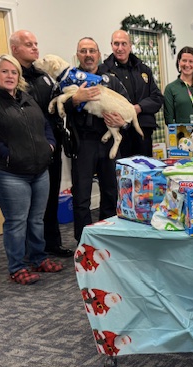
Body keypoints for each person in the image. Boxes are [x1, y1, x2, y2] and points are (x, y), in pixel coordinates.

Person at [0, 54, 63, 285]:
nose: (10, 76)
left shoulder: (27, 98)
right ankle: (17, 267)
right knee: (16, 221)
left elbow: (45, 126)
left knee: (36, 220)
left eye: (14, 72)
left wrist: (49, 146)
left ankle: (39, 258)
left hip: (39, 170)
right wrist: (9, 153)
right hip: (9, 173)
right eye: (5, 71)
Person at [9, 29, 73, 258]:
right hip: (26, 149)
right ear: (15, 49)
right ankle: (29, 251)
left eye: (36, 43)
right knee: (28, 205)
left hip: (51, 145)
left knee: (50, 197)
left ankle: (51, 243)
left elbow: (55, 107)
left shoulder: (43, 75)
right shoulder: (10, 76)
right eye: (29, 44)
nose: (35, 48)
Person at [63, 37, 131, 242]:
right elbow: (58, 109)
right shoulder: (69, 80)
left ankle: (108, 236)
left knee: (111, 191)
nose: (88, 55)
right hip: (83, 142)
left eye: (92, 51)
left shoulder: (111, 80)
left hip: (108, 142)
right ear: (77, 55)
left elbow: (127, 108)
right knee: (82, 195)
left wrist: (123, 122)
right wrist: (75, 99)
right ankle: (84, 241)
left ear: (99, 54)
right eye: (83, 51)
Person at [100, 29, 164, 157]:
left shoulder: (143, 69)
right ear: (111, 45)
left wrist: (138, 108)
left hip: (142, 131)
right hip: (117, 132)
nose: (120, 48)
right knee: (120, 173)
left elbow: (157, 98)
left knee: (145, 173)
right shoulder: (103, 71)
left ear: (130, 46)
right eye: (116, 44)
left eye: (124, 44)